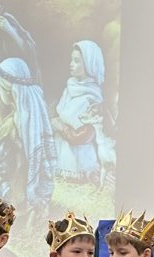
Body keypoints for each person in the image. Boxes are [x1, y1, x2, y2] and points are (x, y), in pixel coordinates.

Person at [0, 58, 56, 226]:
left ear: (9, 91)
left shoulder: (13, 123)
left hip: (13, 177)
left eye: (0, 87)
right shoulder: (30, 115)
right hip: (21, 173)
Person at [53, 40, 105, 182]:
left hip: (78, 160)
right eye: (71, 60)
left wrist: (61, 127)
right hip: (60, 152)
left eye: (76, 61)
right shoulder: (69, 87)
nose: (71, 64)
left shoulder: (93, 97)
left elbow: (86, 135)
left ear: (89, 64)